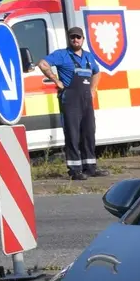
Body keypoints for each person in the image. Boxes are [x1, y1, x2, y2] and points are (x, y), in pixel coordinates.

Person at [36, 26, 104, 180]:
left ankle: (90, 167)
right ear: (69, 39)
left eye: (78, 37)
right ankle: (75, 170)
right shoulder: (62, 55)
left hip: (86, 99)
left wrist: (93, 89)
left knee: (89, 132)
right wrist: (56, 80)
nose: (75, 39)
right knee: (72, 134)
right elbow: (42, 64)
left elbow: (97, 72)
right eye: (72, 37)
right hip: (70, 99)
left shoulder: (88, 57)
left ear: (83, 39)